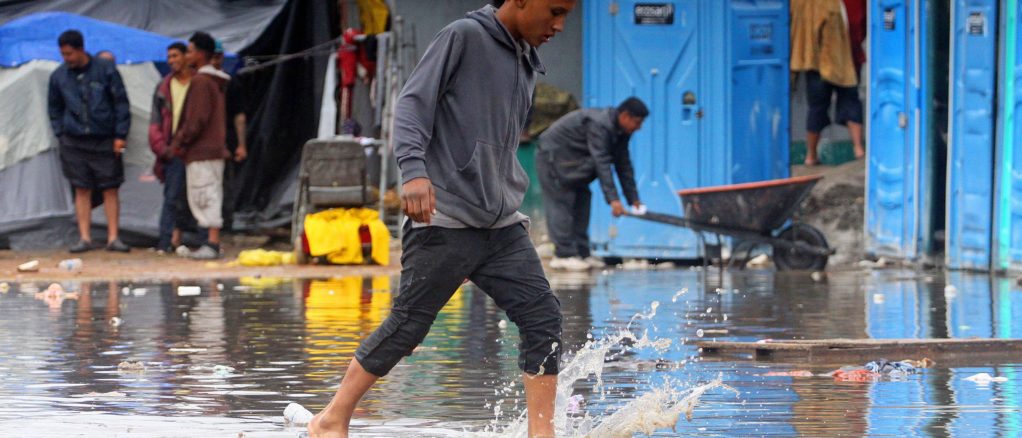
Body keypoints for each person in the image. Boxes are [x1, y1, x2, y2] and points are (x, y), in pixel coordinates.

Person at [308, 1, 577, 437]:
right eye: (555, 11)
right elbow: (413, 105)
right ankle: (331, 419)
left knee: (543, 318)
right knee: (408, 326)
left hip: (500, 225)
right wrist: (413, 171)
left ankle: (540, 433)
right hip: (445, 217)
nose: (560, 26)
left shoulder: (527, 57)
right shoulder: (463, 37)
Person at [535, 97, 648, 271]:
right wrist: (613, 200)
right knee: (561, 202)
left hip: (576, 164)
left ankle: (582, 253)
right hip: (553, 159)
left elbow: (623, 164)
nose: (639, 128)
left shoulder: (621, 132)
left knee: (583, 200)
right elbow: (601, 161)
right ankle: (563, 255)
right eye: (637, 122)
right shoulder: (599, 124)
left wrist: (633, 199)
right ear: (625, 116)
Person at [48, 30, 131, 253]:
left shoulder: (105, 70)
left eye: (69, 54)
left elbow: (121, 103)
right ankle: (85, 238)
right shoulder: (59, 76)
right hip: (74, 141)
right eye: (63, 54)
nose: (67, 59)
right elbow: (54, 108)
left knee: (110, 187)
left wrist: (120, 135)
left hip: (104, 139)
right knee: (81, 188)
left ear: (81, 49)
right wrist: (61, 133)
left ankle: (114, 238)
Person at [170, 32, 231, 260]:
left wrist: (180, 142)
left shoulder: (201, 82)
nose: (188, 55)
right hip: (212, 149)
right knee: (210, 192)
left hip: (202, 150)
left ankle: (212, 243)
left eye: (190, 50)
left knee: (205, 193)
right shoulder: (214, 81)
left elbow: (196, 119)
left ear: (201, 54)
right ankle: (210, 242)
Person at [791, 0, 866, 165]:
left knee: (818, 106)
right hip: (844, 59)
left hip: (818, 61)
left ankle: (811, 156)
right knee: (849, 100)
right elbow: (863, 24)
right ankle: (858, 149)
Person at [148, 42, 194, 254]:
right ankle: (165, 241)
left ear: (186, 56)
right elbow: (155, 121)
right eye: (170, 57)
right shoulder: (163, 86)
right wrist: (161, 148)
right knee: (172, 196)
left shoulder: (198, 83)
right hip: (173, 150)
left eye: (176, 56)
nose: (172, 61)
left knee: (197, 195)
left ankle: (195, 240)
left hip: (195, 149)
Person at [211, 40, 248, 231]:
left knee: (225, 184)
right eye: (213, 56)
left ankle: (225, 223)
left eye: (218, 56)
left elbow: (239, 115)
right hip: (205, 144)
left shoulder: (230, 83)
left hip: (227, 142)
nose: (216, 60)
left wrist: (241, 144)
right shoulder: (201, 81)